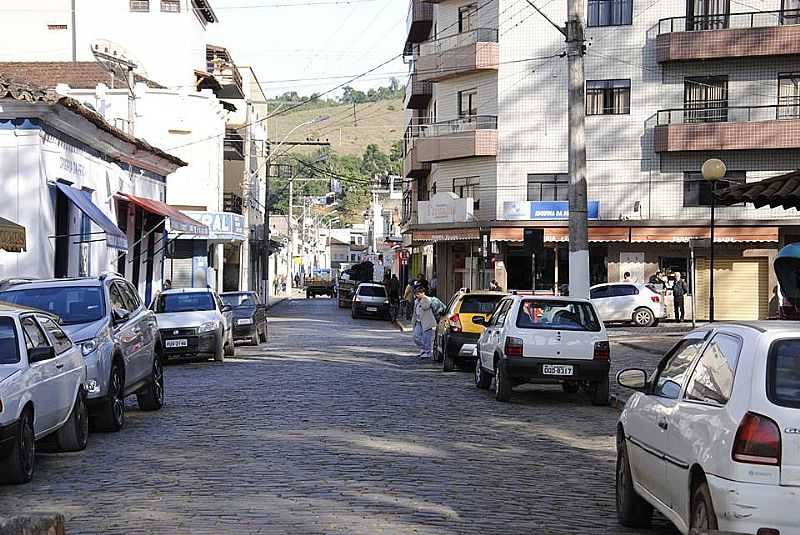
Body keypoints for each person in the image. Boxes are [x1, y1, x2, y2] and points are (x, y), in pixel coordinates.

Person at [412, 284, 436, 359]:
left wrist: (422, 299)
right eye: (416, 294)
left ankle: (427, 352)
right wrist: (413, 321)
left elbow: (425, 306)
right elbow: (414, 312)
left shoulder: (427, 299)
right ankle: (424, 349)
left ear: (423, 293)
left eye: (418, 294)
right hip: (418, 322)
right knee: (416, 337)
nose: (417, 296)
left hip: (427, 322)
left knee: (427, 338)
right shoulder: (416, 301)